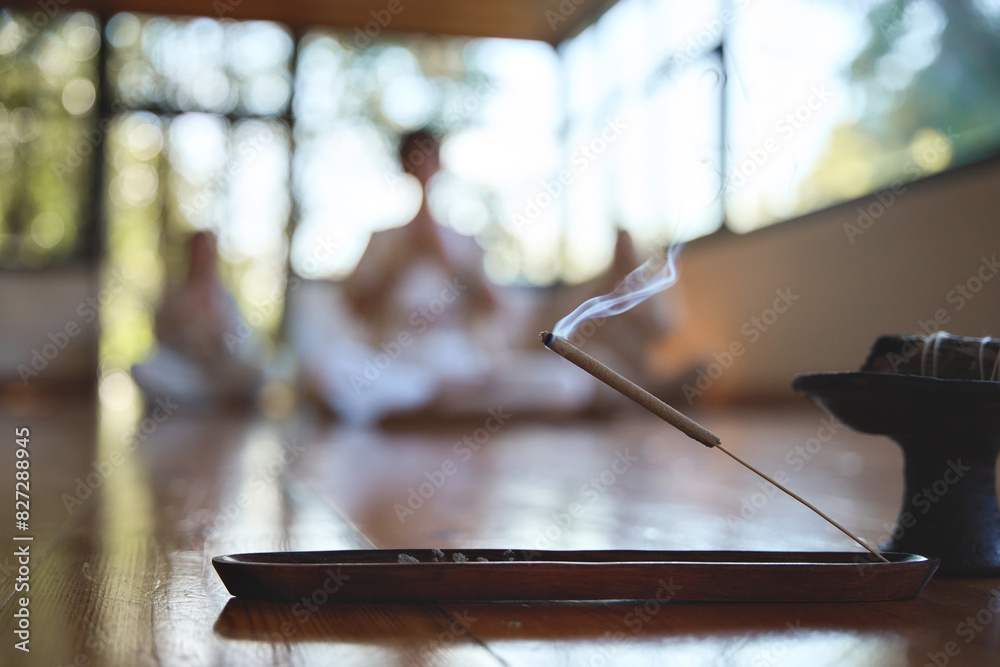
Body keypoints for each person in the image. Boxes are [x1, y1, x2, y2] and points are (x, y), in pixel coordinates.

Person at [294, 129, 592, 423]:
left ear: (438, 166)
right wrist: (400, 263)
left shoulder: (465, 241)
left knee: (568, 380)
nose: (422, 167)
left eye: (428, 158)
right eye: (414, 158)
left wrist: (445, 259)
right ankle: (442, 402)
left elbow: (492, 307)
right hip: (401, 367)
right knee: (327, 368)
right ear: (403, 166)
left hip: (464, 366)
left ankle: (430, 406)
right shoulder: (382, 240)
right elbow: (357, 311)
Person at [132, 231, 264, 408]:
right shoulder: (175, 295)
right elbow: (159, 340)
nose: (202, 256)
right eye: (198, 250)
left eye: (207, 250)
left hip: (220, 372)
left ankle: (194, 402)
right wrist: (181, 326)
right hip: (184, 370)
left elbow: (239, 345)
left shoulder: (225, 299)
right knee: (141, 369)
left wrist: (218, 334)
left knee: (261, 370)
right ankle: (210, 401)